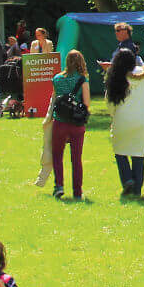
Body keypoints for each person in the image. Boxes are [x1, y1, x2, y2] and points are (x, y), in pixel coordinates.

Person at [105, 49, 144, 197]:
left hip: (121, 119)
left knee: (120, 153)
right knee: (138, 155)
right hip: (143, 119)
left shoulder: (115, 75)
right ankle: (137, 191)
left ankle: (128, 180)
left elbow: (109, 101)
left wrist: (112, 115)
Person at [48, 49, 91, 199]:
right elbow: (87, 103)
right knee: (76, 159)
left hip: (59, 121)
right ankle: (77, 192)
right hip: (76, 123)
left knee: (57, 155)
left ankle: (59, 185)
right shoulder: (82, 79)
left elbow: (54, 99)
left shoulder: (57, 78)